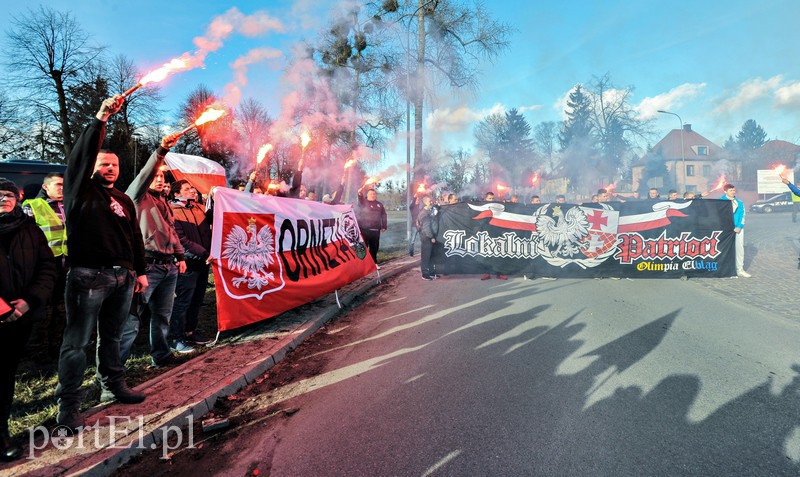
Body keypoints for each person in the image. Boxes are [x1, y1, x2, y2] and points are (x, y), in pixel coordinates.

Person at [56, 95, 148, 432]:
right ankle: (68, 406)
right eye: (104, 163)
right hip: (87, 277)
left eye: (114, 165)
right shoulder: (79, 190)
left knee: (111, 336)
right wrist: (101, 118)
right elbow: (80, 157)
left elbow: (134, 237)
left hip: (122, 277)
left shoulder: (123, 199)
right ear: (93, 167)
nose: (110, 168)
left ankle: (113, 384)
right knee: (77, 342)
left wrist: (138, 271)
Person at [0, 178, 56, 461]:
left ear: (17, 198)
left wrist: (29, 300)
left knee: (6, 375)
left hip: (20, 316)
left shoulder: (30, 229)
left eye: (8, 194)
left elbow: (47, 267)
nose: (3, 199)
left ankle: (1, 432)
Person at [120, 134, 187, 366]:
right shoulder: (137, 197)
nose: (159, 180)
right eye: (155, 176)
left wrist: (180, 256)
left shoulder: (164, 202)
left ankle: (161, 354)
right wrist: (161, 152)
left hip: (169, 266)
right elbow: (143, 176)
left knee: (162, 316)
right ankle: (114, 370)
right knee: (131, 319)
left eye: (162, 177)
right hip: (147, 266)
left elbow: (171, 231)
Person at [22, 172, 68, 362]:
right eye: (58, 185)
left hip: (66, 264)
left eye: (64, 185)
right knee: (41, 308)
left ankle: (55, 348)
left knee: (61, 308)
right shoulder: (32, 206)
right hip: (43, 266)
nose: (62, 189)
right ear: (45, 187)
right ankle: (35, 353)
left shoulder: (68, 206)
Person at [168, 180, 213, 349]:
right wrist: (204, 252)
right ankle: (177, 338)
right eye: (187, 189)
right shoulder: (173, 211)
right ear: (177, 194)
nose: (193, 191)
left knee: (197, 299)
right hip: (187, 263)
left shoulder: (199, 208)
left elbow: (217, 217)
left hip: (203, 262)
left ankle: (191, 331)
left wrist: (218, 198)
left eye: (193, 189)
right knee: (183, 302)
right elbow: (181, 240)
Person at [719, 184, 750, 278]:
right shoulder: (719, 202)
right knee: (725, 249)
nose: (733, 192)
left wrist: (739, 226)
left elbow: (742, 215)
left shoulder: (739, 202)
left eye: (733, 190)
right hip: (725, 229)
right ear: (725, 191)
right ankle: (727, 270)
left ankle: (739, 269)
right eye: (731, 190)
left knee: (739, 249)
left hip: (737, 229)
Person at [356, 184, 387, 263]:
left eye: (374, 194)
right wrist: (360, 193)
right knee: (364, 247)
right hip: (364, 230)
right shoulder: (363, 203)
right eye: (371, 194)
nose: (372, 195)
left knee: (374, 248)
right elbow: (360, 199)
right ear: (367, 195)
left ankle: (373, 263)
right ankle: (363, 263)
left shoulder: (379, 204)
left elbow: (384, 215)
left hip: (376, 230)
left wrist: (384, 226)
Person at [417, 195, 438, 280]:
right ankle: (425, 274)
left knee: (431, 255)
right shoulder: (424, 214)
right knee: (426, 256)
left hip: (430, 236)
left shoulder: (429, 212)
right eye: (430, 201)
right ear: (425, 202)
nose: (431, 202)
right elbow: (426, 227)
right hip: (426, 237)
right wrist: (431, 237)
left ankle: (432, 272)